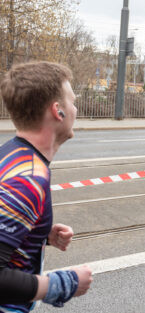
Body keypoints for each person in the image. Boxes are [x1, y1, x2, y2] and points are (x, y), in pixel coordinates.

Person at [0, 61, 93, 312]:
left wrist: (38, 234)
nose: (76, 108)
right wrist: (62, 284)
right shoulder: (28, 180)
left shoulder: (11, 154)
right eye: (72, 101)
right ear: (58, 111)